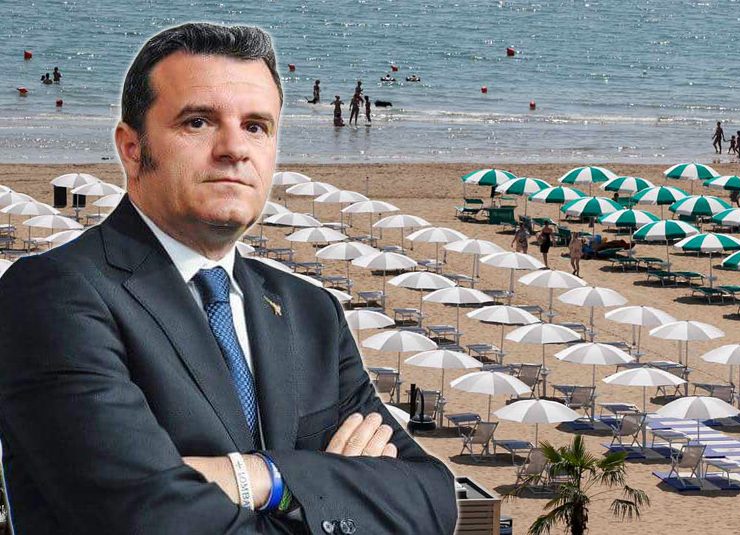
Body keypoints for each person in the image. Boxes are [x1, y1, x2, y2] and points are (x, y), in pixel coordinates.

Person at [0, 23, 457, 535]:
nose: (234, 149)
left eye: (256, 126)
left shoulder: (311, 311)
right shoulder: (54, 295)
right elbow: (149, 519)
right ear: (131, 148)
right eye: (198, 122)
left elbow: (433, 499)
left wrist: (261, 477)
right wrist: (330, 485)